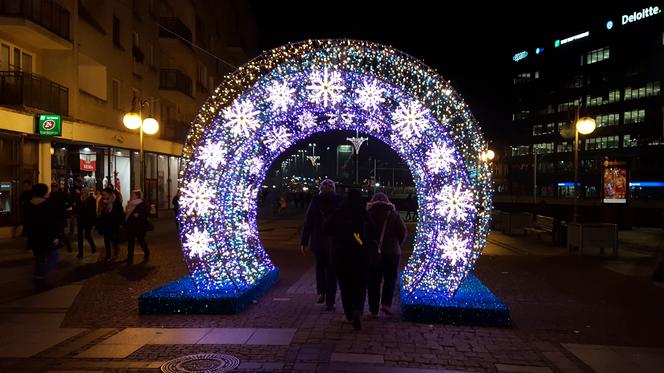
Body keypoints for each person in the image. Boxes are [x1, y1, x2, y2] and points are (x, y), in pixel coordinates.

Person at [324, 189, 377, 330]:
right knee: (360, 285)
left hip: (341, 254)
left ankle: (349, 313)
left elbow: (326, 228)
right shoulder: (363, 213)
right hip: (361, 254)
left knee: (345, 285)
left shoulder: (339, 212)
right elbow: (373, 231)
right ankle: (358, 309)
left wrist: (338, 236)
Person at [300, 179, 342, 310]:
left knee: (320, 268)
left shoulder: (316, 201)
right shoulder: (340, 201)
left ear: (321, 189)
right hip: (335, 242)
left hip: (318, 240)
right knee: (332, 271)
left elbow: (308, 222)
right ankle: (331, 301)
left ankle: (321, 292)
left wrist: (304, 242)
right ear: (334, 188)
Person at [366, 192, 407, 316]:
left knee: (373, 280)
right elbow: (402, 233)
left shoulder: (368, 215)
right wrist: (397, 245)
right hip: (392, 253)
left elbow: (361, 233)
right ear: (387, 201)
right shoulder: (393, 215)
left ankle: (373, 309)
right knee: (390, 279)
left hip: (372, 253)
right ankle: (386, 304)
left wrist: (364, 245)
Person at [24, 184, 59, 290]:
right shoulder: (46, 205)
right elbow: (50, 223)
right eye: (47, 191)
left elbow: (27, 223)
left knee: (40, 258)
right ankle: (40, 277)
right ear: (43, 192)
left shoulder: (29, 205)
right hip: (46, 237)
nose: (49, 192)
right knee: (54, 257)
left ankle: (38, 281)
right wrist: (54, 237)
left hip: (34, 237)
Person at [124, 190, 151, 263]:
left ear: (137, 196)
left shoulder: (141, 204)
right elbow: (127, 214)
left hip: (138, 226)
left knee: (141, 241)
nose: (131, 196)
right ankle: (129, 258)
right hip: (130, 225)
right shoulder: (130, 203)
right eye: (131, 195)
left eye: (133, 195)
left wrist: (138, 214)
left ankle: (147, 253)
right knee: (130, 242)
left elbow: (144, 214)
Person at [97, 187, 123, 260]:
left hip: (113, 224)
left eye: (105, 194)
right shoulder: (102, 201)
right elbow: (100, 212)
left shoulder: (116, 202)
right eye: (103, 194)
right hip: (105, 224)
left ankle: (116, 250)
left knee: (113, 239)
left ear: (110, 194)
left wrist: (120, 223)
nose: (103, 196)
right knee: (106, 239)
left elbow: (119, 213)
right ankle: (108, 254)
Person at [74, 187, 97, 258]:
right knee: (79, 237)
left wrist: (94, 222)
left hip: (88, 220)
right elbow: (76, 209)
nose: (83, 194)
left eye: (85, 192)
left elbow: (93, 212)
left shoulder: (91, 199)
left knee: (87, 235)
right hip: (80, 220)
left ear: (87, 193)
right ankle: (80, 253)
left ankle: (93, 247)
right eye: (82, 192)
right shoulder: (78, 199)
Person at [50, 182, 72, 252]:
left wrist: (64, 207)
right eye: (52, 187)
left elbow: (69, 202)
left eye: (54, 187)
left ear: (57, 187)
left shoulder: (62, 194)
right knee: (58, 231)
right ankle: (61, 243)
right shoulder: (51, 194)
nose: (53, 189)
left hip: (61, 215)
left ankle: (67, 245)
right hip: (54, 216)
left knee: (61, 231)